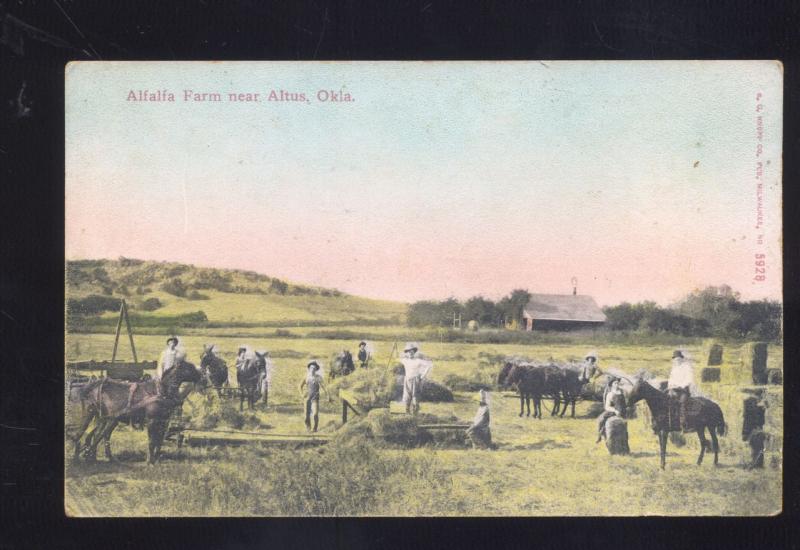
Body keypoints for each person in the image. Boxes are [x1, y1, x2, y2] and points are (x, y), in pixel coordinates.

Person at [400, 342, 433, 415]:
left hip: (415, 380)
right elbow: (398, 357)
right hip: (407, 380)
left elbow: (429, 365)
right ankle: (406, 414)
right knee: (406, 397)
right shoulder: (405, 361)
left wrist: (422, 376)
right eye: (408, 352)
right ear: (407, 353)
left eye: (411, 352)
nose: (410, 354)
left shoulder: (418, 361)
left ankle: (415, 414)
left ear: (414, 352)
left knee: (415, 397)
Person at [667, 349, 695, 430]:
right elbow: (670, 380)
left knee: (682, 403)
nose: (677, 360)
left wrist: (681, 386)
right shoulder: (674, 369)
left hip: (683, 391)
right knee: (667, 402)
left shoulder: (686, 367)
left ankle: (684, 423)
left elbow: (689, 379)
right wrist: (670, 387)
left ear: (681, 359)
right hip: (674, 390)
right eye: (675, 359)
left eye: (678, 358)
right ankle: (670, 422)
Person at [299, 361, 329, 432]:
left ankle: (315, 428)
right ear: (309, 369)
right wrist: (302, 394)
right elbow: (300, 386)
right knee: (306, 416)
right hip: (307, 398)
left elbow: (324, 387)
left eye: (314, 368)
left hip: (315, 398)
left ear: (316, 370)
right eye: (311, 368)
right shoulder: (306, 377)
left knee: (315, 414)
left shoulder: (318, 377)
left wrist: (328, 396)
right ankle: (308, 428)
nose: (312, 369)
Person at [596, 377, 626, 443]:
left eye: (618, 383)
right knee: (601, 419)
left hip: (622, 411)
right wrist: (615, 410)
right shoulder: (610, 394)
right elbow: (607, 407)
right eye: (615, 383)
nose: (617, 384)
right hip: (614, 411)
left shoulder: (622, 392)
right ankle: (599, 435)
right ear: (612, 384)